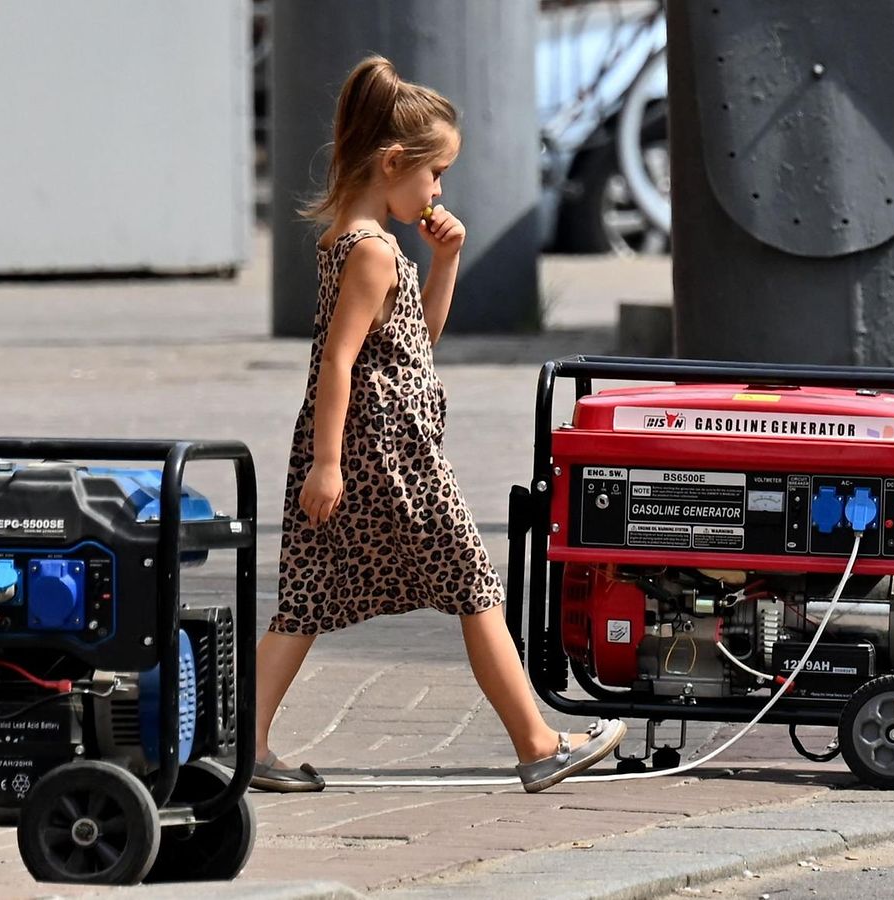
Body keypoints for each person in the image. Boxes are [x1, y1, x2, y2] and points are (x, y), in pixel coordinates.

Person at [251, 55, 625, 794]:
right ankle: (538, 742)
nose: (438, 190)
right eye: (435, 173)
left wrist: (445, 261)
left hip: (375, 450)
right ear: (393, 163)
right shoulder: (369, 252)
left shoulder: (370, 245)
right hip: (388, 458)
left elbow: (418, 339)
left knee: (306, 597)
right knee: (474, 584)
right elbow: (337, 362)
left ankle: (244, 745)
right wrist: (328, 462)